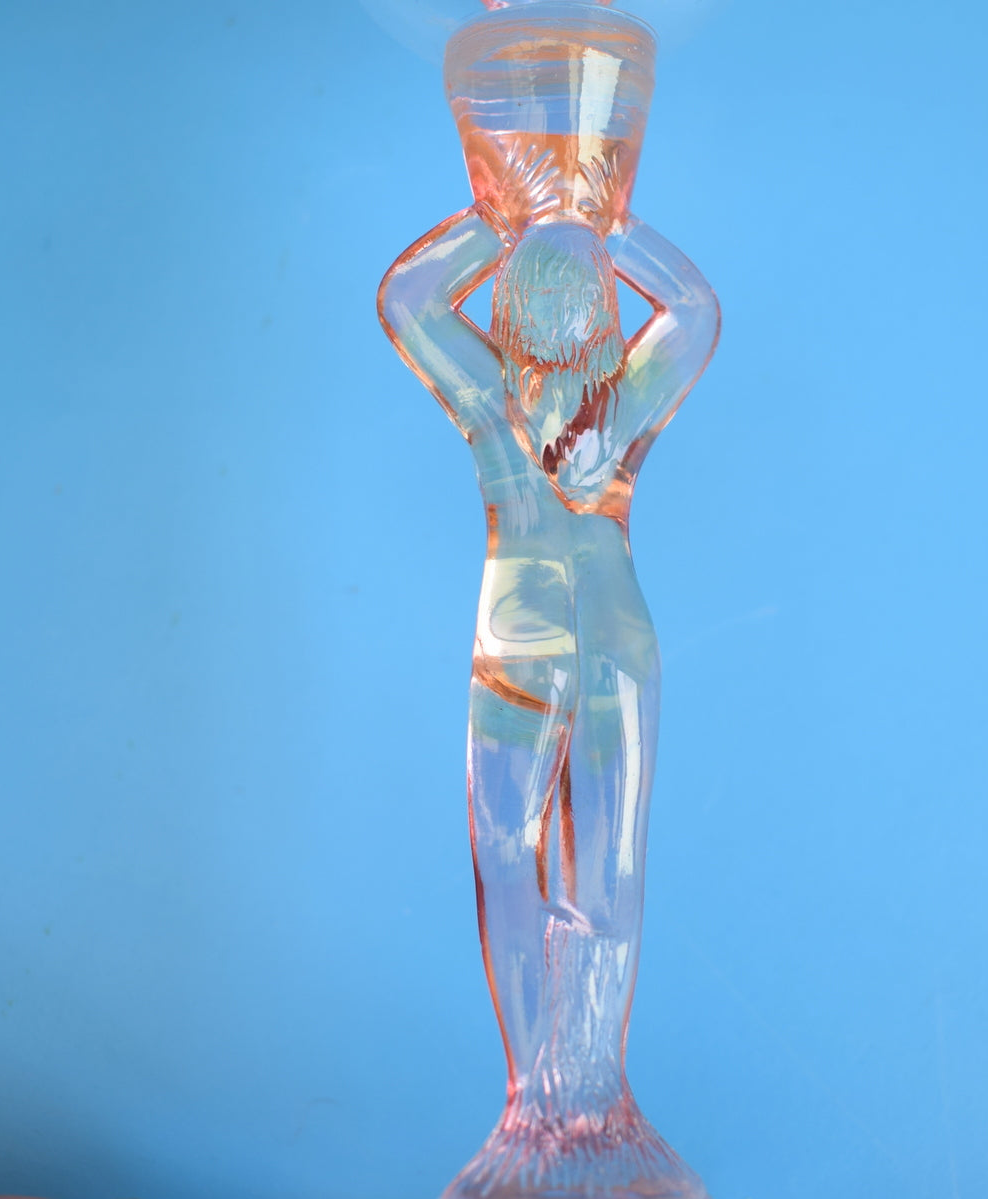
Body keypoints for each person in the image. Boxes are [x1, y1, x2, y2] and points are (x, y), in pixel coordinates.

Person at [379, 199, 718, 1193]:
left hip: (533, 643)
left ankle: (569, 1100)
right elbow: (694, 310)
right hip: (595, 643)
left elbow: (408, 298)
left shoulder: (497, 393)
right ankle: (562, 1099)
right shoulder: (616, 401)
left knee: (528, 863)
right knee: (581, 870)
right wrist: (603, 223)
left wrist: (508, 218)